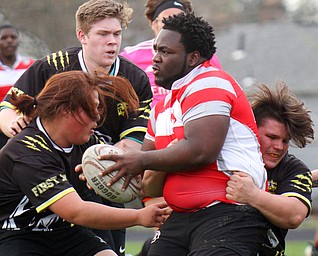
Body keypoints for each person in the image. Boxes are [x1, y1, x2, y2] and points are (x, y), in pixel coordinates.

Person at [94, 12, 269, 255]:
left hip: (228, 212)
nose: (155, 59)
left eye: (165, 52)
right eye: (156, 50)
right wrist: (104, 171)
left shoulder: (210, 82)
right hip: (180, 216)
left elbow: (200, 150)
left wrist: (142, 160)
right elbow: (149, 186)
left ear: (193, 58)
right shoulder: (162, 107)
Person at [0, 0, 153, 255]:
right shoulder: (52, 67)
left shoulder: (135, 79)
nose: (113, 41)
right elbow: (8, 107)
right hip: (23, 221)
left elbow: (131, 144)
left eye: (117, 34)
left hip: (94, 174)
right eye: (103, 34)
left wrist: (105, 166)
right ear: (82, 35)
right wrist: (12, 126)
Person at [0, 69, 168, 256]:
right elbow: (75, 211)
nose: (97, 118)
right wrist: (139, 216)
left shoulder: (87, 142)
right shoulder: (27, 151)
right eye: (93, 108)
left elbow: (126, 173)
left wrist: (165, 162)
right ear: (66, 110)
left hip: (65, 232)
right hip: (16, 234)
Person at [226, 82, 314, 255]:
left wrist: (252, 195)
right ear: (250, 130)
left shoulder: (293, 170)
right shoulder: (225, 158)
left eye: (285, 141)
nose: (279, 147)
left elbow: (294, 215)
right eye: (271, 137)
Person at [120, 0, 222, 107]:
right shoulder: (131, 57)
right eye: (167, 21)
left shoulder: (204, 56)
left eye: (180, 20)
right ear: (154, 24)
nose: (174, 27)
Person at [0, 24, 34, 101]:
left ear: (19, 40)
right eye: (4, 38)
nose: (9, 41)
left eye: (13, 37)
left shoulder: (31, 67)